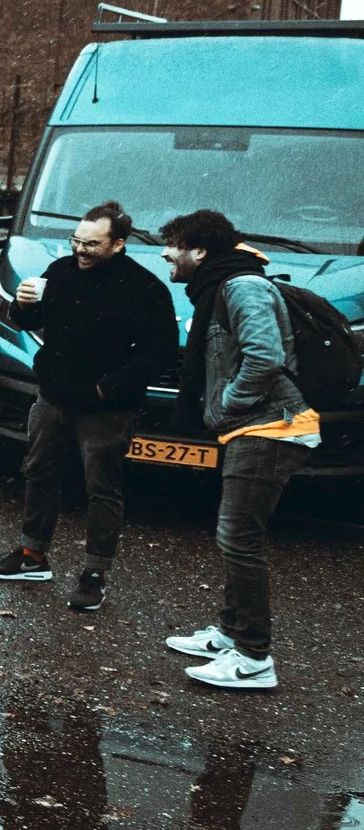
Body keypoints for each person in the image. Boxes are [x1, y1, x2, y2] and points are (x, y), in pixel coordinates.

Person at [0, 201, 176, 612]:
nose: (81, 250)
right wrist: (24, 304)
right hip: (53, 397)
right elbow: (28, 322)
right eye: (76, 241)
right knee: (39, 473)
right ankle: (33, 556)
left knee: (101, 488)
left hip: (108, 409)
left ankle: (94, 574)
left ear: (119, 244)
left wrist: (109, 388)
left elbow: (159, 351)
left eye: (92, 244)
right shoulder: (61, 271)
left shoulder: (143, 288)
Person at [156, 210, 317, 691]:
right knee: (235, 537)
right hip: (256, 428)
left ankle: (253, 658)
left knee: (240, 539)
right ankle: (230, 634)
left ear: (199, 252)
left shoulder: (242, 287)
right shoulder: (219, 287)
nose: (165, 251)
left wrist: (227, 404)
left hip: (271, 429)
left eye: (174, 244)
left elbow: (264, 357)